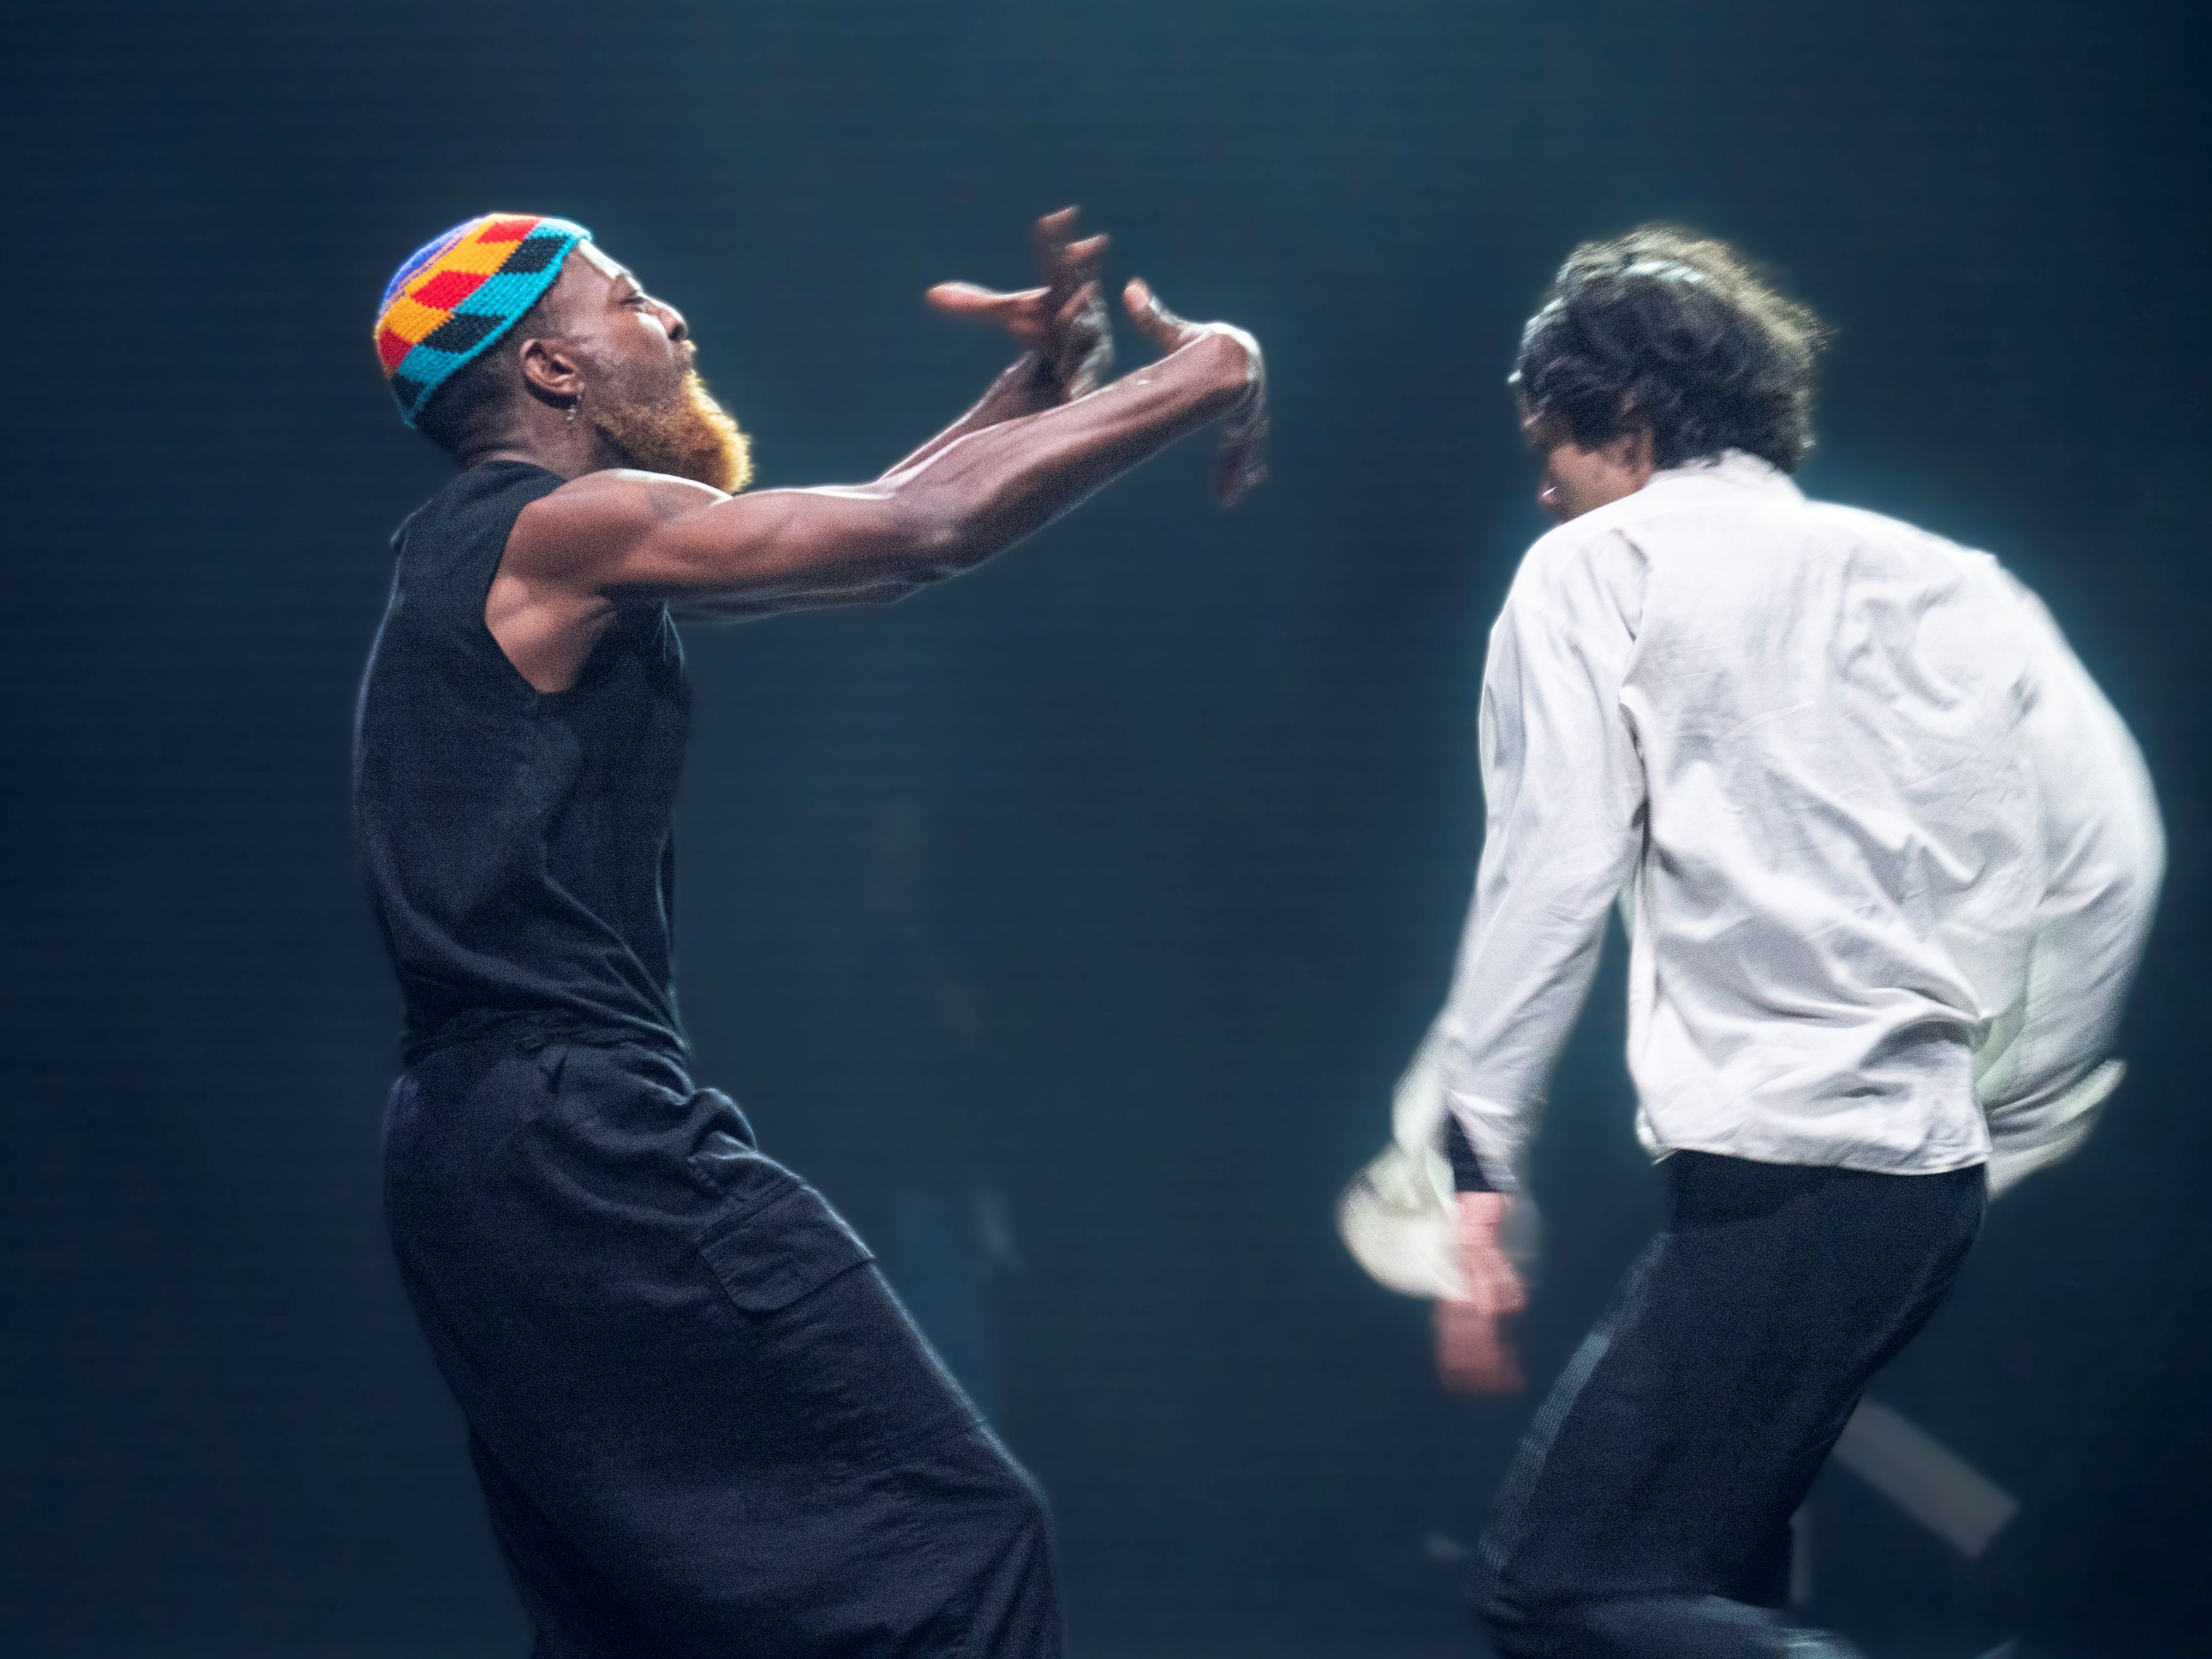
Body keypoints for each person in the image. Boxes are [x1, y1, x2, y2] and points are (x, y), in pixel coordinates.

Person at [353, 206, 1265, 1657]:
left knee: (643, 1624)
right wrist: (1207, 372)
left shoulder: (492, 553)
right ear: (550, 369)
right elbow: (918, 536)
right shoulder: (558, 527)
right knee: (952, 1542)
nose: (671, 320)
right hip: (568, 1130)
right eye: (628, 300)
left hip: (469, 1152)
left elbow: (878, 511)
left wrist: (1030, 393)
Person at [1407, 227, 2160, 1655]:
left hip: (1784, 1177)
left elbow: (1548, 873)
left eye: (1549, 447)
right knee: (1702, 1579)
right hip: (1920, 1190)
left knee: (1558, 1592)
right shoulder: (1950, 579)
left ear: (1626, 420)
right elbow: (2112, 849)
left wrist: (1480, 1155)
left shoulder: (1593, 570)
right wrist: (2009, 1098)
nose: (1543, 488)